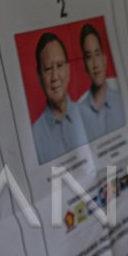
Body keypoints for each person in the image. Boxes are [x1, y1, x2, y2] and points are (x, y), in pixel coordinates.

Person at [29, 32, 87, 163]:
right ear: (39, 76)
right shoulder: (33, 137)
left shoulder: (88, 114)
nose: (55, 77)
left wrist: (113, 185)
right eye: (48, 69)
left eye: (59, 66)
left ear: (68, 69)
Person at [75, 23, 125, 141]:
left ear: (105, 59)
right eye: (89, 56)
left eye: (97, 54)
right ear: (84, 65)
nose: (95, 64)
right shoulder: (79, 114)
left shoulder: (122, 101)